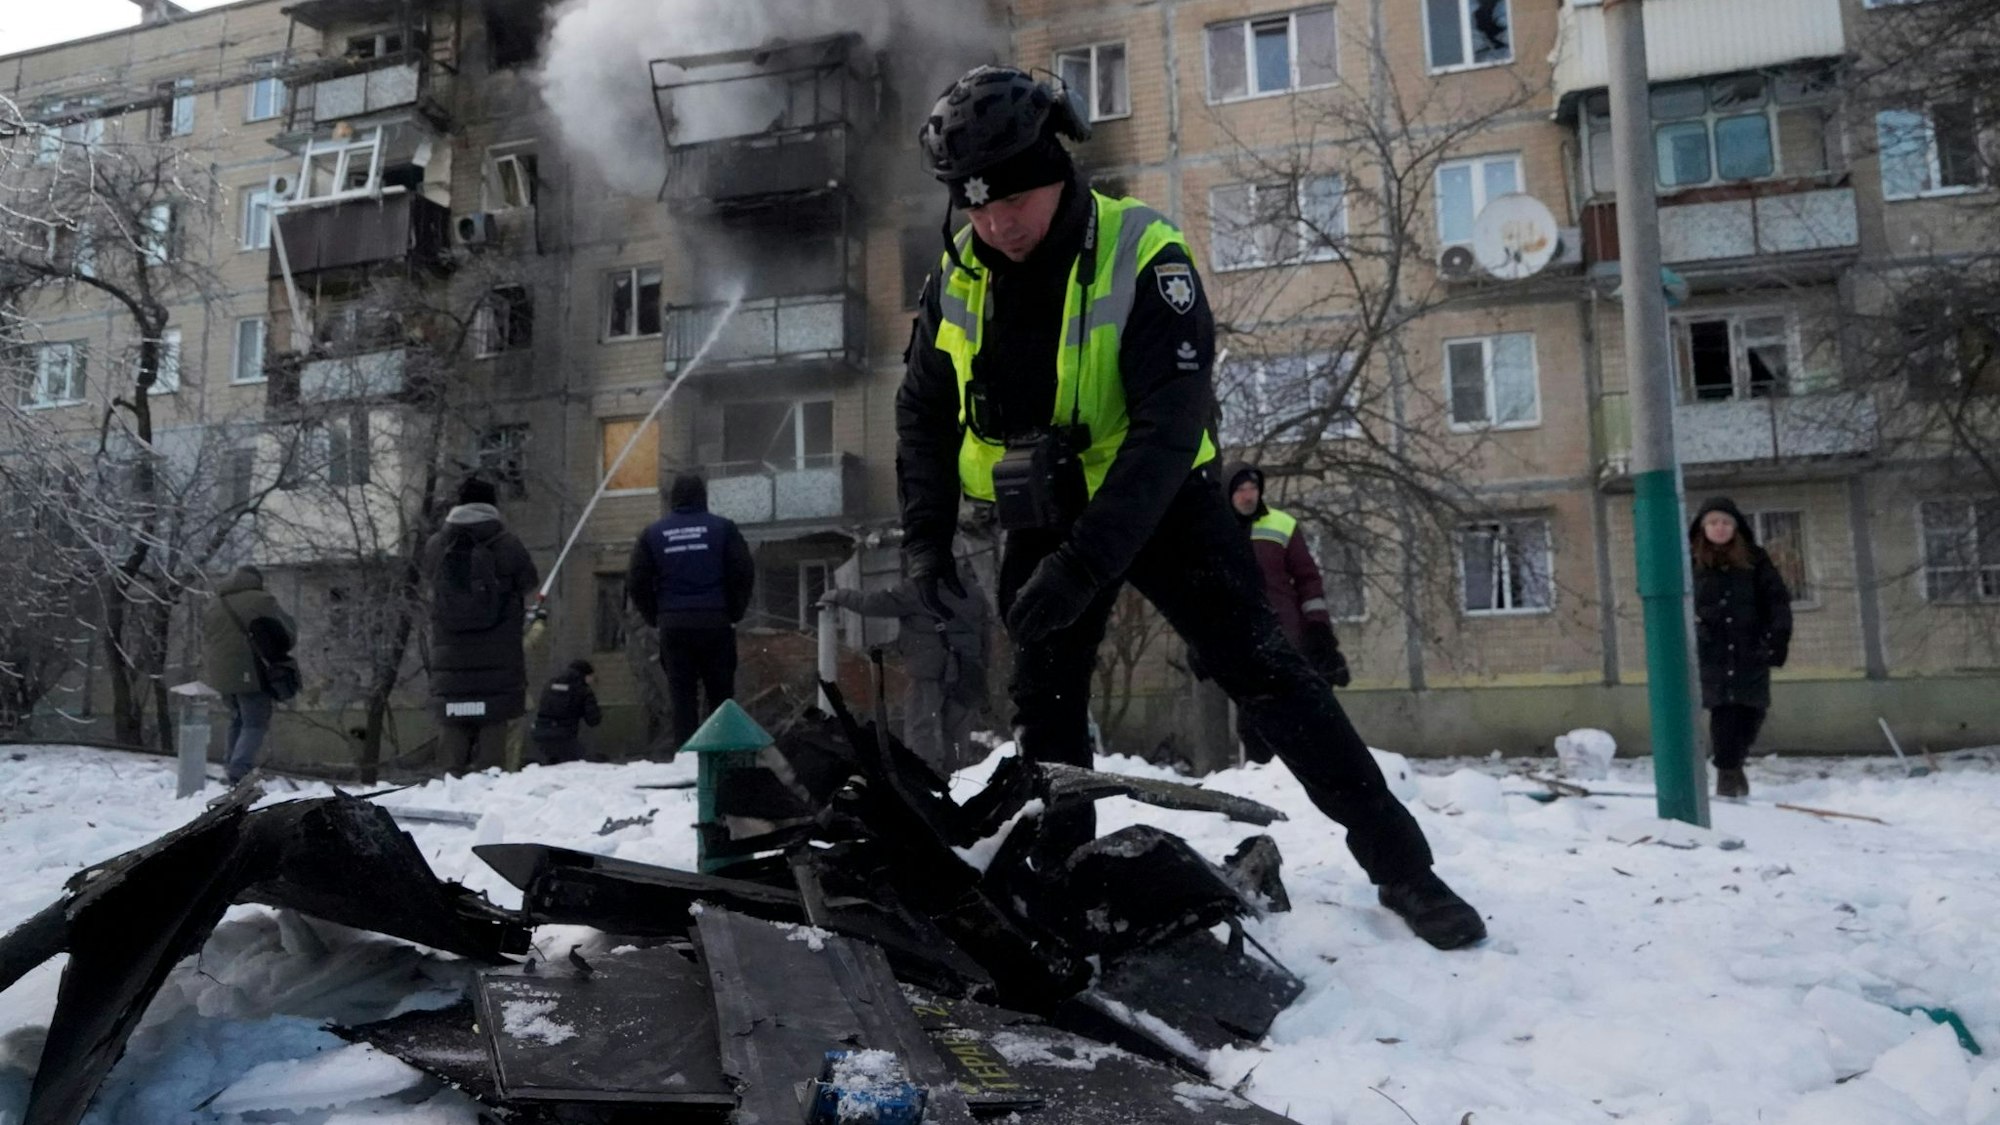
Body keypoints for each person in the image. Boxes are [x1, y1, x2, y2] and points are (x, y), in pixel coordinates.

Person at [896, 65, 1485, 949]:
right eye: (973, 207)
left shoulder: (1144, 253)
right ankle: (1063, 866)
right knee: (1044, 702)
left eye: (1012, 201)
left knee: (1270, 677)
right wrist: (925, 544)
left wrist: (1086, 564)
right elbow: (923, 409)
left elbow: (1169, 430)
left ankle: (1405, 867)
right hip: (1042, 508)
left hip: (1164, 503)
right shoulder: (960, 272)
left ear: (1058, 170)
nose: (996, 225)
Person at [819, 555, 991, 773]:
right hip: (968, 671)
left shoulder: (918, 590)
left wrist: (839, 595)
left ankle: (925, 781)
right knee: (957, 733)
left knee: (921, 728)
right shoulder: (973, 592)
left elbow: (873, 603)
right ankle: (958, 780)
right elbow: (986, 633)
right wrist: (982, 666)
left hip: (928, 671)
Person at [627, 473, 755, 753]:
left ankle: (686, 758)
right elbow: (743, 571)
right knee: (721, 695)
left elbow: (636, 581)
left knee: (682, 696)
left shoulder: (653, 534)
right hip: (715, 622)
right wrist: (734, 612)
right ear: (703, 496)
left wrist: (656, 616)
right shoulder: (723, 529)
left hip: (674, 626)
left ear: (673, 498)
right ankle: (721, 756)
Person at [423, 476, 539, 775]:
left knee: (453, 732)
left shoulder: (436, 545)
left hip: (450, 661)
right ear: (492, 505)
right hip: (497, 660)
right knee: (493, 731)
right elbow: (529, 582)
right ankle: (489, 797)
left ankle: (448, 789)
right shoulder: (507, 544)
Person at [1690, 497, 1793, 799]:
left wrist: (1776, 638)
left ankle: (1734, 765)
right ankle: (1727, 775)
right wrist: (1697, 629)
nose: (1719, 528)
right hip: (1713, 651)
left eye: (1725, 522)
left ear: (1735, 527)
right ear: (1702, 527)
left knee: (1752, 711)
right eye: (1713, 523)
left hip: (1751, 648)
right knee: (1724, 712)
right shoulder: (1690, 560)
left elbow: (1777, 601)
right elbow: (1680, 604)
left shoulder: (1755, 559)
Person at [1227, 464, 1351, 688]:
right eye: (1240, 490)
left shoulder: (1282, 524)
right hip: (1242, 642)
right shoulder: (1219, 529)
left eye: (1252, 488)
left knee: (1296, 706)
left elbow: (1308, 580)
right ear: (1228, 494)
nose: (1248, 496)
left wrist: (1318, 631)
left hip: (1287, 636)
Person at [201, 564, 296, 783]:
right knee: (255, 722)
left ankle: (231, 764)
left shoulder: (213, 605)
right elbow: (286, 632)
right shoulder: (261, 600)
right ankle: (239, 768)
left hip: (221, 675)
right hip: (252, 671)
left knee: (237, 718)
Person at [530, 659, 603, 764]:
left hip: (540, 733)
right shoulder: (583, 689)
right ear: (586, 675)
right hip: (564, 736)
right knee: (580, 765)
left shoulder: (550, 684)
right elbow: (593, 720)